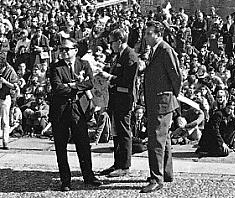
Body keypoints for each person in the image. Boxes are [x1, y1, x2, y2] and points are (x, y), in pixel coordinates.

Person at [47, 38, 103, 192]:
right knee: (60, 145)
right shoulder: (55, 67)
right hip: (60, 109)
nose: (63, 52)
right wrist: (78, 86)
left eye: (66, 49)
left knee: (83, 143)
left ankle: (88, 176)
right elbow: (57, 88)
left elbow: (90, 83)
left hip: (78, 108)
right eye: (61, 49)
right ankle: (65, 180)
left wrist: (71, 85)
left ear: (75, 50)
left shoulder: (83, 64)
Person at [141, 22, 182, 194]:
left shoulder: (165, 50)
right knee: (164, 139)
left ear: (159, 34)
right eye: (146, 33)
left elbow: (177, 77)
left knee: (156, 141)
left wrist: (171, 95)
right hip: (157, 101)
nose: (146, 36)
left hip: (162, 102)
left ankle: (156, 179)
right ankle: (166, 172)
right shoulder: (155, 50)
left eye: (150, 33)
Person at [99, 28, 139, 178]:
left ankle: (125, 165)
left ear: (119, 41)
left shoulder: (130, 56)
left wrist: (109, 77)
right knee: (116, 132)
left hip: (124, 99)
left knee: (123, 132)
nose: (110, 45)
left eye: (112, 42)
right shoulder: (119, 55)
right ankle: (117, 163)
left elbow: (127, 81)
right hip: (116, 99)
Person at [0, 51, 19, 150]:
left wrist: (4, 81)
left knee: (5, 120)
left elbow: (15, 86)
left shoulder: (10, 71)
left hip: (5, 96)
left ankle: (5, 141)